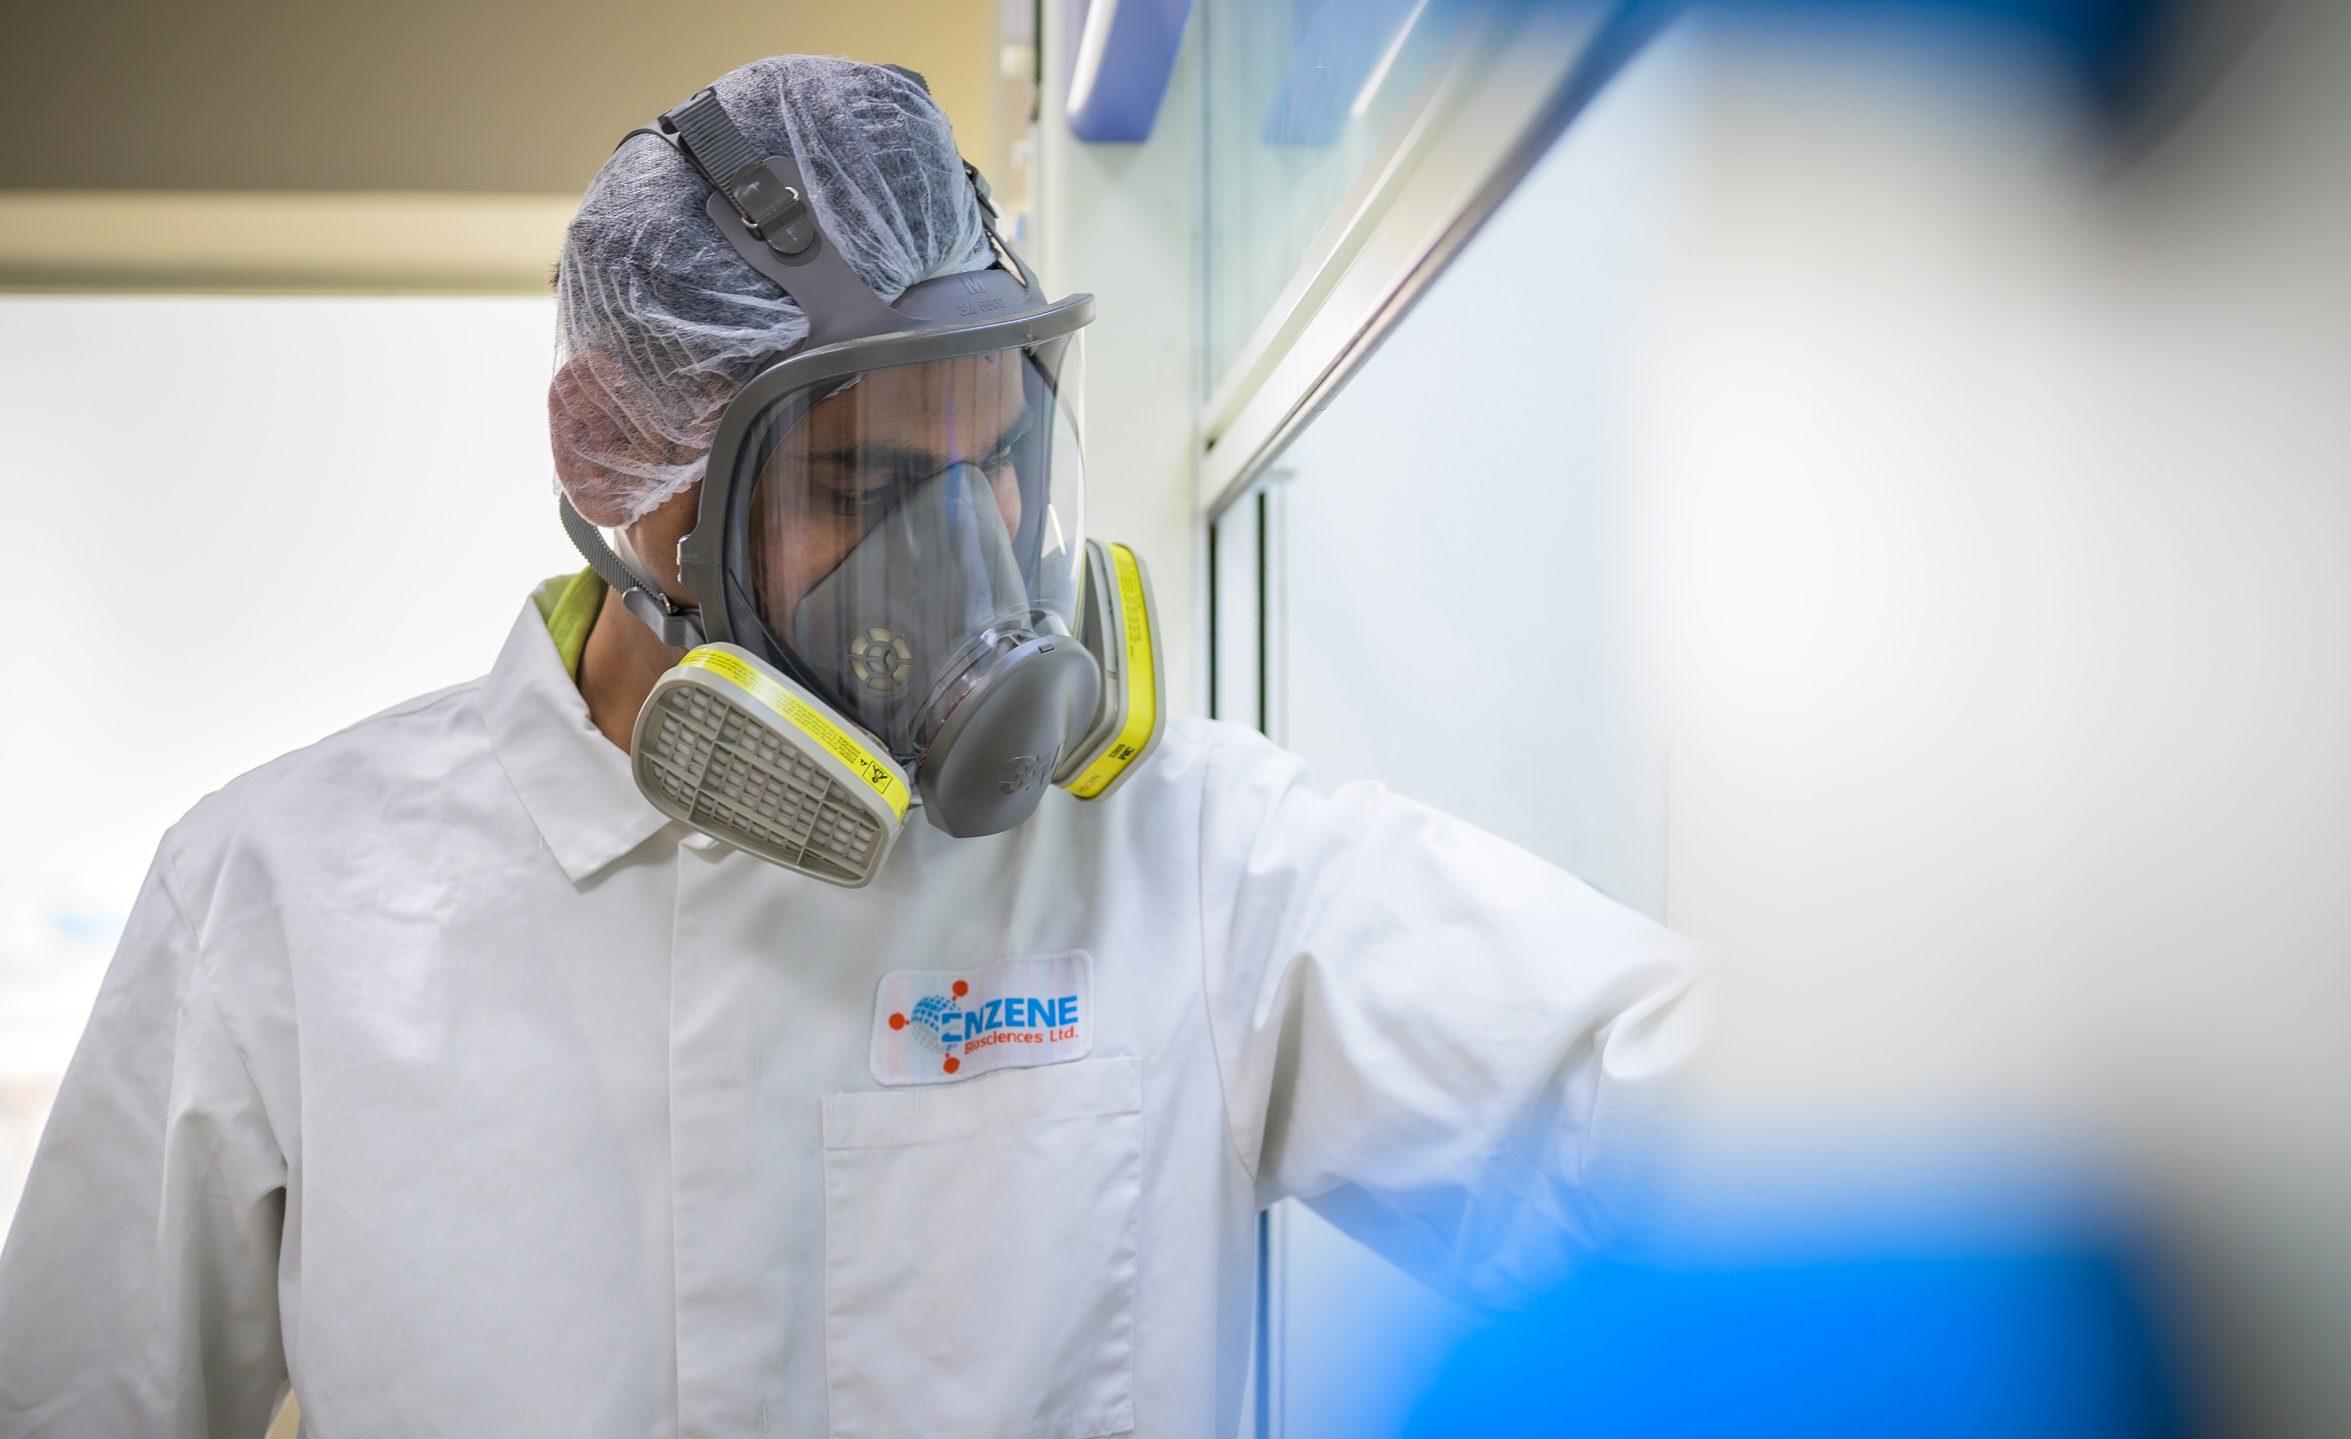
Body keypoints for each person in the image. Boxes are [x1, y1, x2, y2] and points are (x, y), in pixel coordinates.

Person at [0, 56, 1707, 1439]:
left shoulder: (1185, 855)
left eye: (997, 467)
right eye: (867, 486)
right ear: (624, 470)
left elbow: (1660, 1118)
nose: (967, 564)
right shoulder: (282, 902)